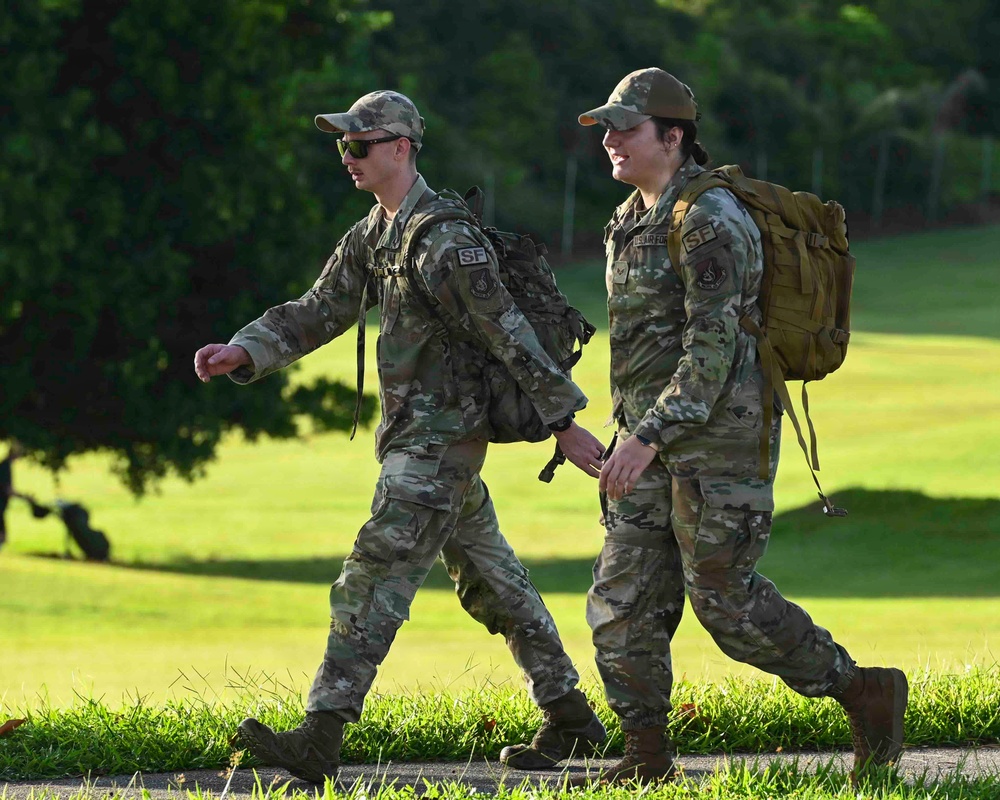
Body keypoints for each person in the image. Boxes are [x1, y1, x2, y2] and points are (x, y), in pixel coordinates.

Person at [193, 90, 608, 783]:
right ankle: (571, 718)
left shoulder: (446, 241)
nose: (348, 156)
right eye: (343, 145)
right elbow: (320, 307)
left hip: (440, 445)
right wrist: (246, 349)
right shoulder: (375, 232)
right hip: (417, 439)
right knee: (492, 582)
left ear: (401, 148)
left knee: (372, 572)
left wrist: (562, 424)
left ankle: (319, 737)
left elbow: (510, 333)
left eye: (360, 143)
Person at [573, 68, 908, 785]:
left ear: (673, 135)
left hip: (718, 446)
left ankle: (863, 690)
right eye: (605, 127)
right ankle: (646, 757)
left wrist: (646, 436)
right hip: (648, 442)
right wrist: (626, 431)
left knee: (727, 607)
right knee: (623, 598)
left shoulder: (711, 219)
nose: (609, 140)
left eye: (624, 128)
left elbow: (714, 350)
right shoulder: (630, 218)